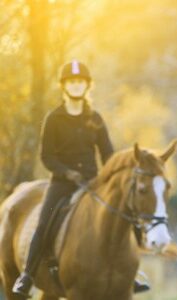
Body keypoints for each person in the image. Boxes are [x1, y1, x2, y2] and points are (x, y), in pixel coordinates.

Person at [12, 60, 148, 297]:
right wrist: (66, 172)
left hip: (91, 181)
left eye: (80, 82)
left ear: (87, 85)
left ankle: (131, 274)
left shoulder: (95, 118)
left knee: (127, 214)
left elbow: (107, 154)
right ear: (64, 86)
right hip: (61, 183)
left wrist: (112, 176)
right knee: (44, 223)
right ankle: (28, 274)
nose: (76, 86)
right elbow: (47, 156)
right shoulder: (54, 118)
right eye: (72, 82)